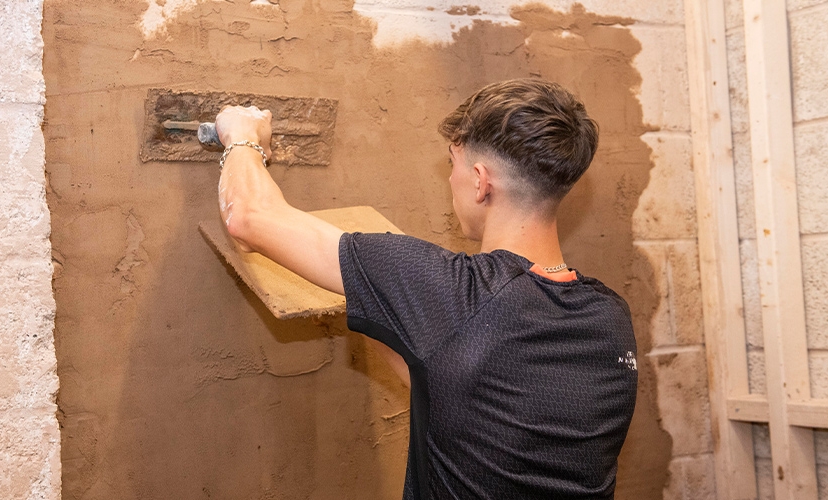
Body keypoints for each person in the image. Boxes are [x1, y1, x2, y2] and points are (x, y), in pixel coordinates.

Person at [215, 78, 637, 499]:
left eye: (452, 162)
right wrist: (376, 303)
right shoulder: (609, 316)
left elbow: (248, 218)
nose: (449, 178)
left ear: (480, 181)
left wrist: (242, 134)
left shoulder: (454, 291)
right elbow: (462, 395)